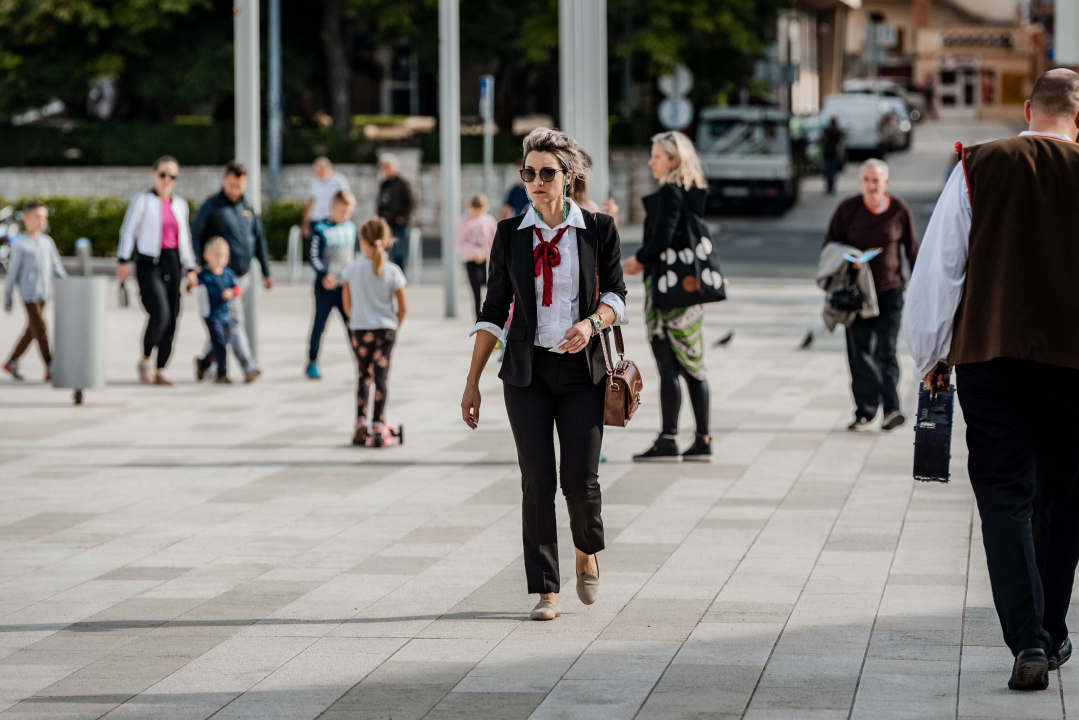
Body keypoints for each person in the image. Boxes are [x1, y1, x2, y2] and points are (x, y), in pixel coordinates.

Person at [906, 69, 1079, 691]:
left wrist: (931, 354)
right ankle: (1051, 628)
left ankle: (1027, 638)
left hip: (991, 357)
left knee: (1005, 497)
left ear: (1028, 109)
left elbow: (942, 267)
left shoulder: (978, 166)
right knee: (1064, 495)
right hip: (1073, 364)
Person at [461, 127, 628, 621]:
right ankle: (546, 590)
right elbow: (493, 309)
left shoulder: (597, 229)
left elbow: (617, 296)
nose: (536, 181)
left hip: (582, 373)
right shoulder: (509, 234)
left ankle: (586, 550)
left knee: (579, 480)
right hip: (526, 375)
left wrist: (591, 323)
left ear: (567, 176)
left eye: (547, 173)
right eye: (528, 173)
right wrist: (472, 382)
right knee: (537, 481)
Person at [622, 131, 712, 462]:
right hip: (687, 293)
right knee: (693, 365)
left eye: (657, 156)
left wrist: (638, 259)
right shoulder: (691, 190)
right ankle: (701, 439)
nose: (651, 162)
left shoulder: (671, 192)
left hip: (667, 293)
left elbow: (661, 238)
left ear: (674, 160)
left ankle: (669, 438)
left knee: (669, 366)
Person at [824, 158, 918, 432]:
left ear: (886, 182)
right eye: (866, 180)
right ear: (860, 182)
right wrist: (849, 257)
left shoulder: (899, 209)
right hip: (857, 295)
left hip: (890, 292)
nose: (871, 185)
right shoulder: (848, 209)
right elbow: (829, 246)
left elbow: (913, 250)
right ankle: (865, 412)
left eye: (876, 180)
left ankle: (891, 409)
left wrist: (922, 288)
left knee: (886, 351)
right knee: (860, 353)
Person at [116, 155, 198, 386]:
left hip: (173, 261)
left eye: (172, 176)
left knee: (173, 316)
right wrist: (123, 260)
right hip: (149, 262)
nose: (167, 180)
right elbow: (128, 230)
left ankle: (161, 368)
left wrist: (191, 267)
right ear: (154, 175)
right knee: (160, 313)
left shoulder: (180, 204)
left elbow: (185, 238)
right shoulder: (142, 200)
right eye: (163, 174)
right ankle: (145, 359)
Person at [191, 161, 273, 383]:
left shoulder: (247, 207)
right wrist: (195, 265)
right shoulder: (212, 206)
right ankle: (248, 366)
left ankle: (205, 362)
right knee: (234, 322)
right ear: (224, 180)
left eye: (239, 186)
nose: (235, 190)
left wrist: (266, 271)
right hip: (220, 278)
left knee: (223, 325)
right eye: (231, 185)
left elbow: (258, 240)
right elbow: (196, 235)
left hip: (243, 275)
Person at [341, 218, 408, 447]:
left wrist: (357, 320)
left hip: (360, 330)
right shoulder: (392, 271)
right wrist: (395, 326)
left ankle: (360, 421)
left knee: (363, 375)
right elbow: (403, 306)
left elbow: (347, 305)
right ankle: (378, 423)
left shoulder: (351, 270)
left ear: (361, 241)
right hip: (385, 330)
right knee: (381, 377)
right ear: (386, 241)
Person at [3, 201, 65, 382]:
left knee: (33, 330)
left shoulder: (47, 242)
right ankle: (50, 366)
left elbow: (57, 267)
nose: (41, 222)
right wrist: (7, 297)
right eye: (37, 218)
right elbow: (12, 273)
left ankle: (11, 361)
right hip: (29, 295)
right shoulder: (20, 244)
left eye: (44, 218)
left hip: (44, 294)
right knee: (41, 328)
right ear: (26, 218)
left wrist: (71, 284)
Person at [306, 190, 359, 379]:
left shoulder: (351, 228)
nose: (345, 215)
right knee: (319, 325)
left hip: (346, 287)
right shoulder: (321, 229)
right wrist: (323, 274)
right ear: (332, 207)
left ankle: (361, 363)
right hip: (326, 287)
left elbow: (355, 256)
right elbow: (313, 256)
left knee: (352, 325)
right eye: (342, 211)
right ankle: (312, 361)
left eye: (349, 212)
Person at [194, 237, 241, 384]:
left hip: (225, 314)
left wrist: (231, 292)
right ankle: (222, 373)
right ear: (207, 256)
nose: (221, 259)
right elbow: (193, 285)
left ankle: (203, 364)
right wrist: (191, 282)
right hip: (211, 315)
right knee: (219, 343)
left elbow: (237, 289)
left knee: (221, 344)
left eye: (224, 256)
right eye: (217, 255)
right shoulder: (204, 275)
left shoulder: (228, 273)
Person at [454, 194, 497, 319]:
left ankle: (491, 316)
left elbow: (495, 241)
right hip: (471, 260)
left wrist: (485, 254)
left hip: (487, 260)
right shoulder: (463, 221)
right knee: (476, 292)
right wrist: (474, 252)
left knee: (491, 290)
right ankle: (478, 318)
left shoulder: (488, 220)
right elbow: (459, 243)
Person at [376, 153, 415, 274]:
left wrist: (402, 217)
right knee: (382, 250)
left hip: (398, 224)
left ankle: (400, 276)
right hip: (385, 222)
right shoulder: (384, 183)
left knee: (399, 252)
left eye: (387, 166)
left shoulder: (402, 182)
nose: (385, 169)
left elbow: (411, 201)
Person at [302, 156, 351, 239]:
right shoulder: (313, 181)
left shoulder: (339, 180)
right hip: (316, 220)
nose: (316, 173)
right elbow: (310, 202)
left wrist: (345, 216)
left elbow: (346, 200)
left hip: (331, 221)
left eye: (318, 170)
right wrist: (305, 223)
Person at [822, 118, 845, 195]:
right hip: (833, 153)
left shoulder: (828, 131)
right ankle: (831, 186)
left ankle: (829, 186)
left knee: (829, 170)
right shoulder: (837, 131)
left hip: (829, 153)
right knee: (832, 171)